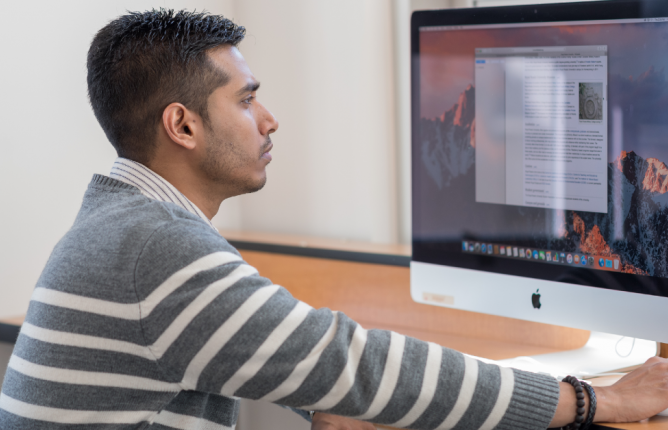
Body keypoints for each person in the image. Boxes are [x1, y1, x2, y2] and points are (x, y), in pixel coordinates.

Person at [1, 9, 668, 430]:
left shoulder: (125, 227)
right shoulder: (154, 249)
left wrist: (326, 395)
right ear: (183, 125)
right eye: (248, 100)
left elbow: (287, 350)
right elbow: (363, 365)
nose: (270, 120)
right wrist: (595, 402)